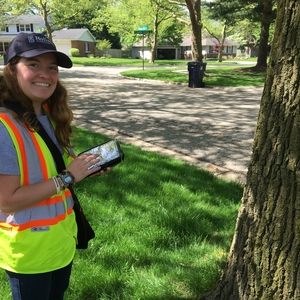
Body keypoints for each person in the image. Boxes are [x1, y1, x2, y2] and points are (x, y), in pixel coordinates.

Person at [0, 32, 107, 300]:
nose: (45, 74)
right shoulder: (4, 126)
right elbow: (7, 201)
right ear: (12, 70)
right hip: (29, 252)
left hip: (61, 243)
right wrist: (69, 177)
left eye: (52, 67)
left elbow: (53, 166)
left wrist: (85, 167)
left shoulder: (46, 113)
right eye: (33, 65)